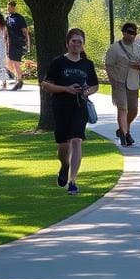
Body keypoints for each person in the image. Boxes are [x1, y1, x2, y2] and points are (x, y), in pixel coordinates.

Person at [40, 28, 99, 196]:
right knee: (64, 145)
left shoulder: (87, 64)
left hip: (80, 107)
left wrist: (86, 91)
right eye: (73, 41)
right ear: (67, 43)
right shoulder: (58, 62)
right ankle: (64, 166)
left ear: (83, 44)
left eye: (79, 41)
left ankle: (73, 181)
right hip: (61, 106)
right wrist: (65, 89)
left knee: (76, 140)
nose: (76, 44)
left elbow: (95, 85)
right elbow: (45, 84)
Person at [103, 22, 140, 146]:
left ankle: (123, 128)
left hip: (133, 82)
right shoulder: (114, 48)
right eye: (130, 32)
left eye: (134, 33)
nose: (132, 35)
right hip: (119, 82)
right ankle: (125, 134)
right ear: (124, 32)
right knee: (122, 108)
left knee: (133, 110)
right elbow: (108, 66)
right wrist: (113, 82)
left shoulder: (138, 48)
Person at [4, 0, 30, 90]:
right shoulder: (7, 18)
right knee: (7, 63)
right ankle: (18, 78)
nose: (8, 9)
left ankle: (19, 81)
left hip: (18, 43)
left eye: (10, 7)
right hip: (9, 43)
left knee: (16, 63)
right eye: (7, 7)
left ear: (14, 7)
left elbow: (25, 32)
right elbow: (5, 31)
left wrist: (27, 43)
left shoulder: (19, 18)